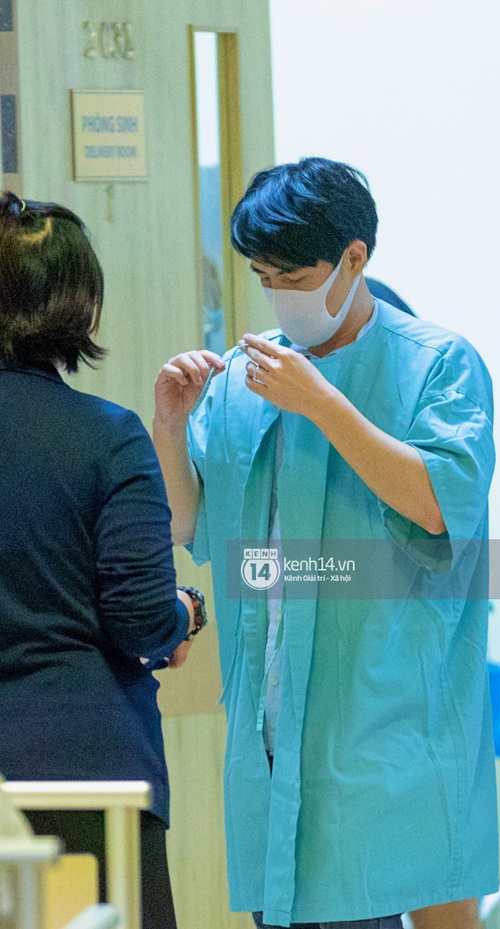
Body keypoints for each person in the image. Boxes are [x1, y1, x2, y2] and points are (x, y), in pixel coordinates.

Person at [154, 157, 498, 929]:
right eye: (262, 273)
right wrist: (171, 426)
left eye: (296, 272)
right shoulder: (248, 375)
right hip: (273, 733)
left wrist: (325, 404)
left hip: (387, 731)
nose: (278, 291)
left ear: (354, 258)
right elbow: (187, 524)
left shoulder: (438, 362)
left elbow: (441, 505)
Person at [0, 191, 206, 929]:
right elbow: (139, 617)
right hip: (86, 779)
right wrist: (188, 611)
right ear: (79, 307)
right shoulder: (108, 438)